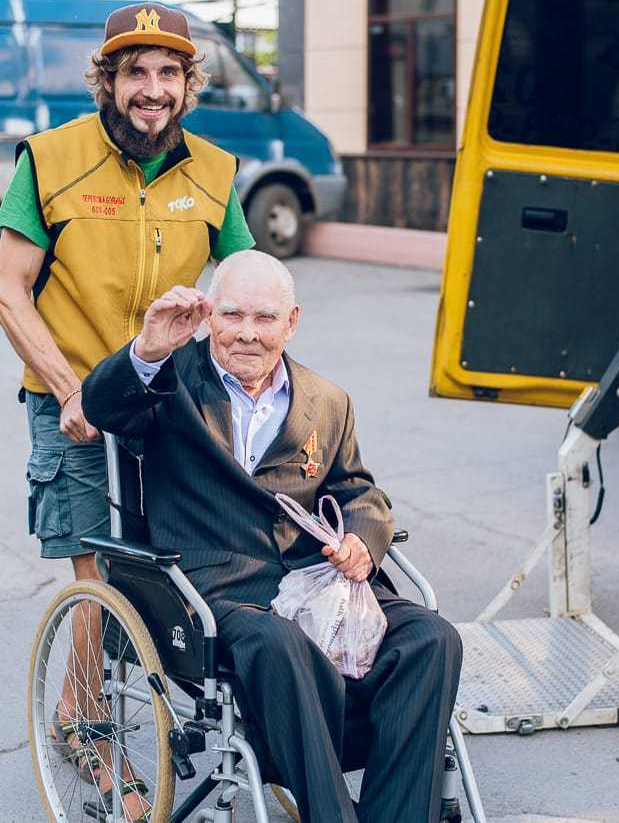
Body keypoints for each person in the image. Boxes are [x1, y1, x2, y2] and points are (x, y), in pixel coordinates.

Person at [82, 251, 463, 823]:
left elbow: (359, 491)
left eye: (264, 319)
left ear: (292, 322)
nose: (247, 334)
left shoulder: (326, 400)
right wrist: (148, 349)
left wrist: (362, 537)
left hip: (318, 586)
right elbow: (101, 405)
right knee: (279, 641)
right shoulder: (171, 381)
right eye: (232, 315)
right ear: (210, 317)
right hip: (212, 589)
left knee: (433, 637)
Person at [0, 1, 254, 818]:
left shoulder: (213, 171)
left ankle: (234, 717)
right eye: (135, 71)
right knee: (98, 572)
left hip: (168, 403)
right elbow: (7, 291)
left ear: (187, 84)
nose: (152, 88)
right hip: (74, 401)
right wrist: (71, 390)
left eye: (168, 72)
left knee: (187, 562)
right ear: (106, 81)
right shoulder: (54, 159)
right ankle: (90, 732)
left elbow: (247, 282)